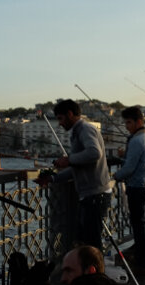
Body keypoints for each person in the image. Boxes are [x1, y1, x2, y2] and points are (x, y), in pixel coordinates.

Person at [36, 100, 111, 250]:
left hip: (95, 195)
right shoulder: (78, 132)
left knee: (92, 245)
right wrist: (53, 178)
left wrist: (69, 159)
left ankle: (96, 272)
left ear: (70, 114)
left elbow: (95, 153)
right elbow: (77, 167)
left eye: (60, 118)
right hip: (90, 195)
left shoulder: (85, 129)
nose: (60, 124)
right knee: (84, 243)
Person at [112, 106, 145, 277]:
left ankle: (143, 264)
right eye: (125, 123)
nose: (126, 126)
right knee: (144, 224)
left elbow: (129, 168)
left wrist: (114, 176)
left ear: (139, 121)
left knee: (139, 228)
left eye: (129, 122)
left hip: (137, 188)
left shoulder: (137, 141)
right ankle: (144, 261)